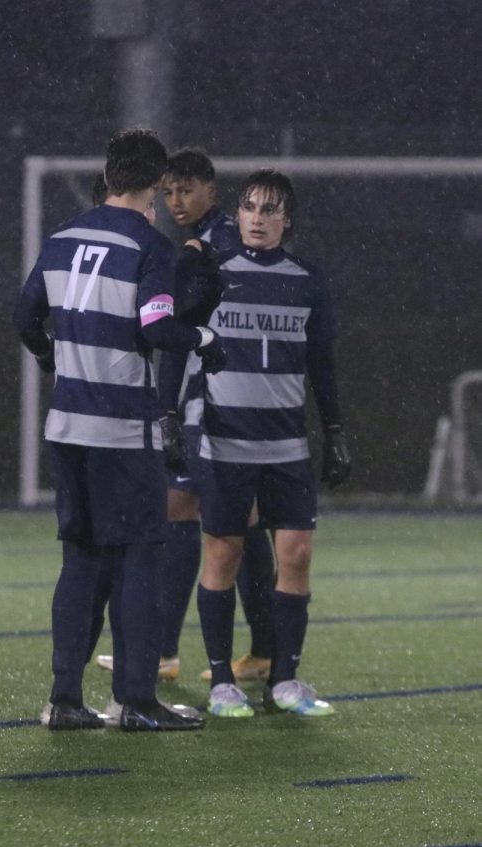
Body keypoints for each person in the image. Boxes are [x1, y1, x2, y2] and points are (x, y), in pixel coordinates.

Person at [13, 127, 226, 732]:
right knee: (140, 556)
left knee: (80, 558)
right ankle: (134, 699)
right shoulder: (151, 246)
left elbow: (26, 317)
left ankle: (63, 699)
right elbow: (158, 328)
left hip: (66, 424)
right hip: (120, 428)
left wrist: (54, 357)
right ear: (158, 184)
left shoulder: (61, 238)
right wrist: (206, 340)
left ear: (107, 177)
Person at [99, 149, 277, 684]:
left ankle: (253, 648)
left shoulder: (220, 239)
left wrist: (169, 405)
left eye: (185, 189)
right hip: (210, 400)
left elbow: (187, 327)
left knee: (225, 520)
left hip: (224, 399)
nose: (175, 201)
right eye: (167, 191)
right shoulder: (201, 242)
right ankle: (173, 650)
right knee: (193, 511)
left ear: (211, 190)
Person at [196, 168, 351, 718]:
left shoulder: (307, 278)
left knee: (298, 555)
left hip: (286, 445)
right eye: (250, 208)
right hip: (226, 443)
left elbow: (322, 365)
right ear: (236, 215)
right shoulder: (212, 271)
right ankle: (220, 683)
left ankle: (285, 680)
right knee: (224, 554)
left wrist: (333, 430)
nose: (258, 219)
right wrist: (172, 418)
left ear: (288, 219)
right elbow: (175, 349)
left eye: (270, 209)